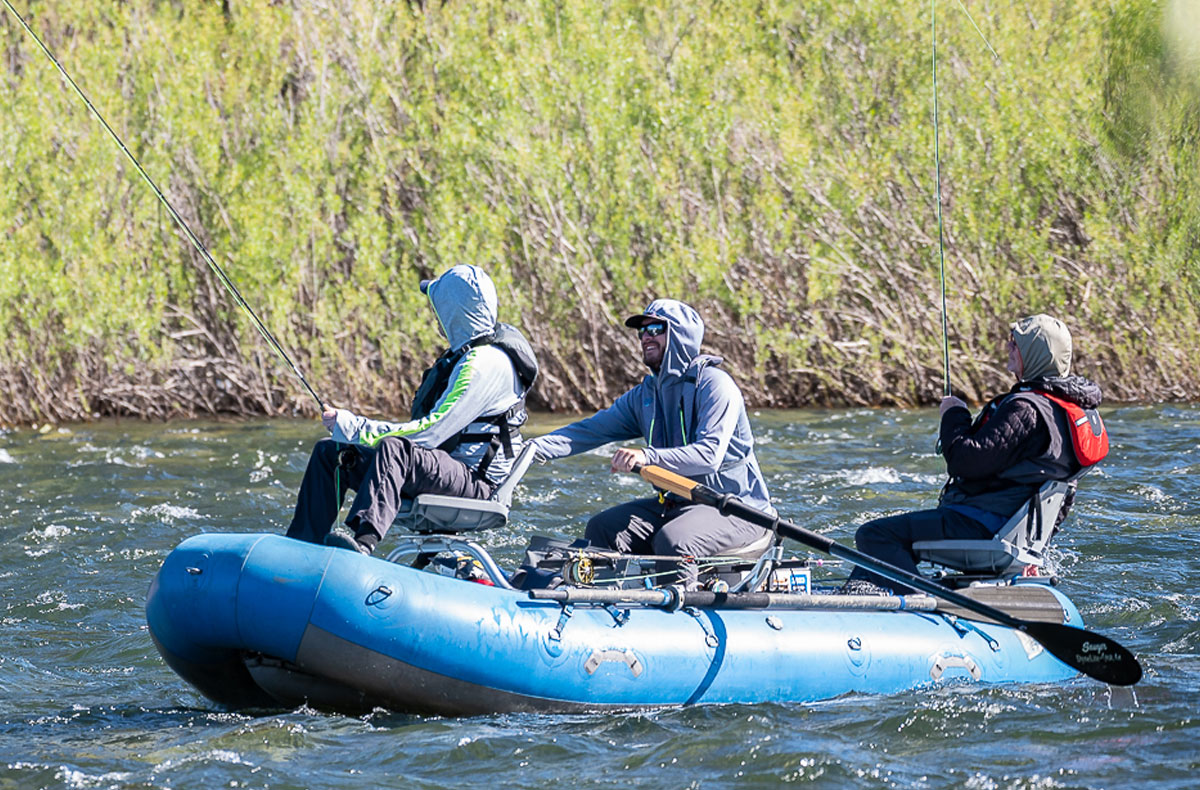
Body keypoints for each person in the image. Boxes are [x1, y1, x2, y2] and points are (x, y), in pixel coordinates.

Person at [843, 314, 1105, 594]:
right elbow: (1062, 492)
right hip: (1010, 529)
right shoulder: (1073, 412)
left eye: (1014, 344)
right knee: (878, 551)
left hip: (983, 524)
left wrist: (954, 414)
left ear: (1034, 353)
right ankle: (867, 595)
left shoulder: (1026, 409)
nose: (1008, 348)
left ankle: (918, 604)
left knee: (875, 535)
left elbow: (964, 462)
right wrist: (1032, 547)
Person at [285, 264, 538, 554]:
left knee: (396, 449)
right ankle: (301, 548)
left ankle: (361, 545)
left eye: (437, 307)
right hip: (444, 469)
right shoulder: (467, 355)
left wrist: (354, 427)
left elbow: (429, 433)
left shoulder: (483, 366)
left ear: (452, 311)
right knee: (331, 453)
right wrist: (347, 435)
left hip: (474, 482)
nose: (434, 316)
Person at [528, 299, 774, 589]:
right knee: (603, 528)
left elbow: (709, 456)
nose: (646, 337)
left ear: (680, 335)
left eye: (656, 329)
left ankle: (680, 617)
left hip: (737, 509)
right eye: (642, 332)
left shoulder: (715, 385)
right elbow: (586, 432)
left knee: (675, 540)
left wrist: (647, 457)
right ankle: (596, 606)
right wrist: (528, 451)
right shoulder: (644, 395)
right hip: (677, 504)